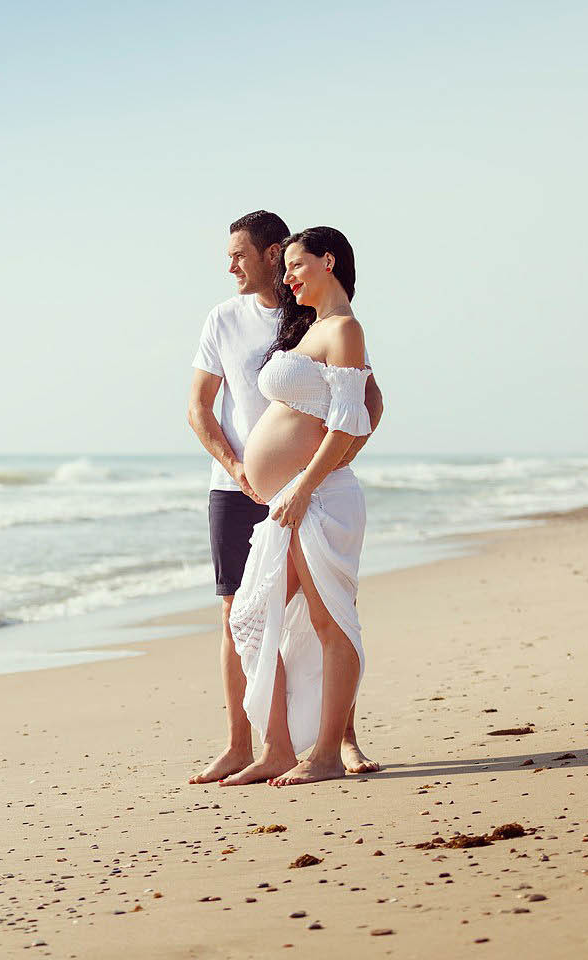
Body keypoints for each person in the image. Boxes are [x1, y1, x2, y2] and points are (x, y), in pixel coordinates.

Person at [186, 212, 381, 786]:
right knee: (254, 615)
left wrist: (312, 480)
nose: (231, 266)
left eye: (297, 264)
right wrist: (243, 469)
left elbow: (359, 411)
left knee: (327, 620)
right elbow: (197, 404)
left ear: (321, 262)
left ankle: (329, 748)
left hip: (307, 496)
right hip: (261, 492)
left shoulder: (331, 325)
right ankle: (270, 747)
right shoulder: (260, 320)